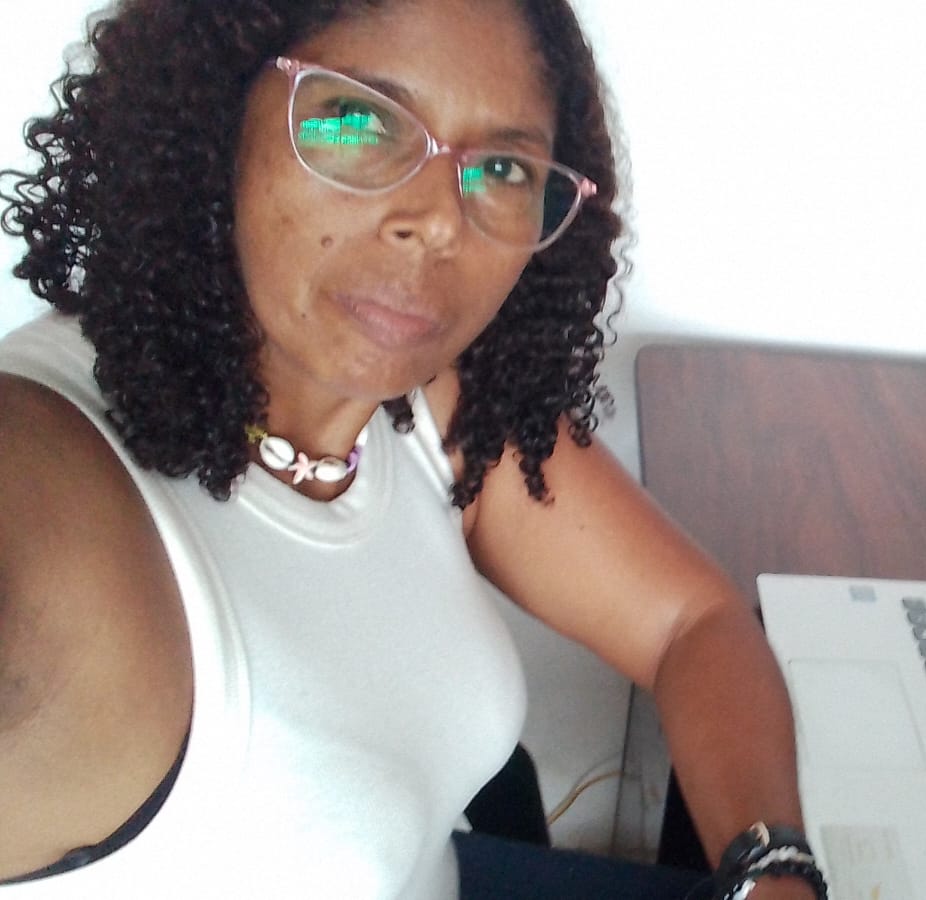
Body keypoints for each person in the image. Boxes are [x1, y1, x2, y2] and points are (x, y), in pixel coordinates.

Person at [0, 1, 824, 897]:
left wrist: (774, 869)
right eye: (357, 122)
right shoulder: (56, 486)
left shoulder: (422, 411)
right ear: (214, 118)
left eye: (502, 167)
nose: (437, 219)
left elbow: (689, 624)